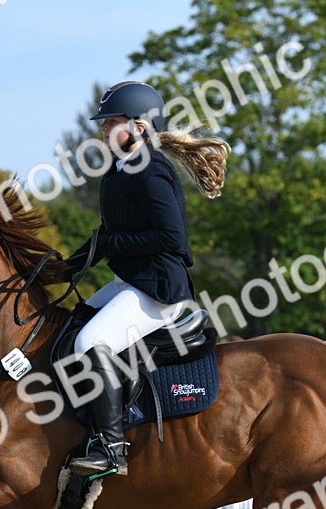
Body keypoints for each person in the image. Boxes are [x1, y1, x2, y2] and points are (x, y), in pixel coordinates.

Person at [55, 81, 230, 478]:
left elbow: (172, 238)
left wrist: (115, 244)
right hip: (132, 280)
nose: (103, 129)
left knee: (90, 341)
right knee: (73, 323)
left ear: (140, 126)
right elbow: (106, 234)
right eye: (103, 123)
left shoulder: (150, 170)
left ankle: (110, 448)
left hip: (158, 288)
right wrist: (65, 266)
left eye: (112, 122)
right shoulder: (119, 172)